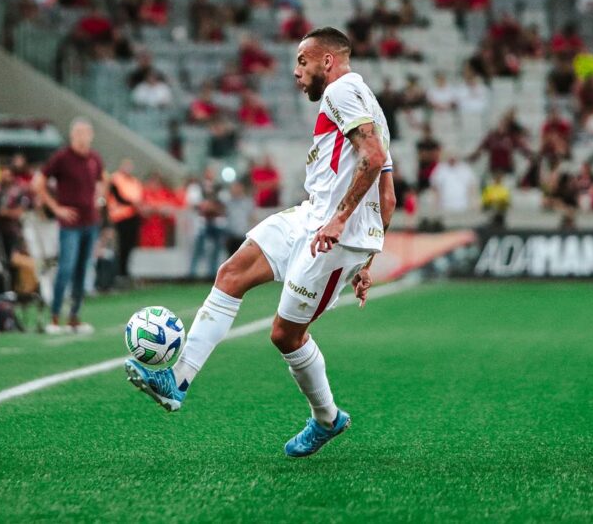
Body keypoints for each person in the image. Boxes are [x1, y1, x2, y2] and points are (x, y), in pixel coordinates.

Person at [126, 27, 396, 458]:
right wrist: (370, 254)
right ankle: (176, 382)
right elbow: (388, 193)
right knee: (231, 273)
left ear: (328, 61)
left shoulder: (342, 93)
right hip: (312, 218)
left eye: (303, 62)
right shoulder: (369, 105)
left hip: (333, 235)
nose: (296, 72)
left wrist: (347, 230)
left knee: (286, 335)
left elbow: (375, 159)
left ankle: (327, 419)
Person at [32, 119, 106, 334]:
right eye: (79, 133)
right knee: (66, 267)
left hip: (90, 221)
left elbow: (102, 179)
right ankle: (55, 317)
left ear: (91, 135)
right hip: (70, 223)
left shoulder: (94, 158)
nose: (83, 137)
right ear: (72, 135)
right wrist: (56, 208)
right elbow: (39, 181)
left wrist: (98, 199)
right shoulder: (62, 158)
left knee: (83, 270)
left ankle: (75, 316)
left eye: (86, 132)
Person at [108, 158, 143, 282]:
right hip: (120, 217)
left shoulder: (134, 181)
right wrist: (133, 204)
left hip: (132, 217)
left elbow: (139, 197)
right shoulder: (115, 179)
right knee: (121, 245)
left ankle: (125, 271)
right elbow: (118, 197)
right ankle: (118, 273)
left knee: (130, 245)